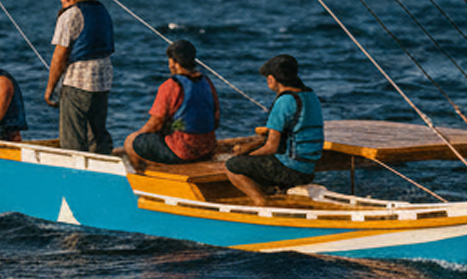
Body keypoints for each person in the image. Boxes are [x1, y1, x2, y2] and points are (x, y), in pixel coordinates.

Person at [224, 53, 324, 205]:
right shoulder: (310, 95)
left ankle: (261, 202)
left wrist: (247, 155)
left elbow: (271, 147)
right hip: (309, 167)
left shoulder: (284, 101)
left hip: (291, 170)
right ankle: (274, 192)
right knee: (253, 160)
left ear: (271, 79)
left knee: (232, 166)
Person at [43, 0, 114, 153]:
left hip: (78, 81)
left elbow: (60, 55)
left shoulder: (70, 15)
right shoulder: (102, 10)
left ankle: (74, 172)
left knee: (72, 136)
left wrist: (50, 87)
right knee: (97, 133)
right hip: (103, 79)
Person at [124, 39, 220, 171]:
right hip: (207, 148)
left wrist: (137, 136)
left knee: (130, 142)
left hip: (183, 151)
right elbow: (216, 120)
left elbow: (155, 124)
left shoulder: (171, 85)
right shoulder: (207, 82)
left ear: (173, 63)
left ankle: (142, 179)